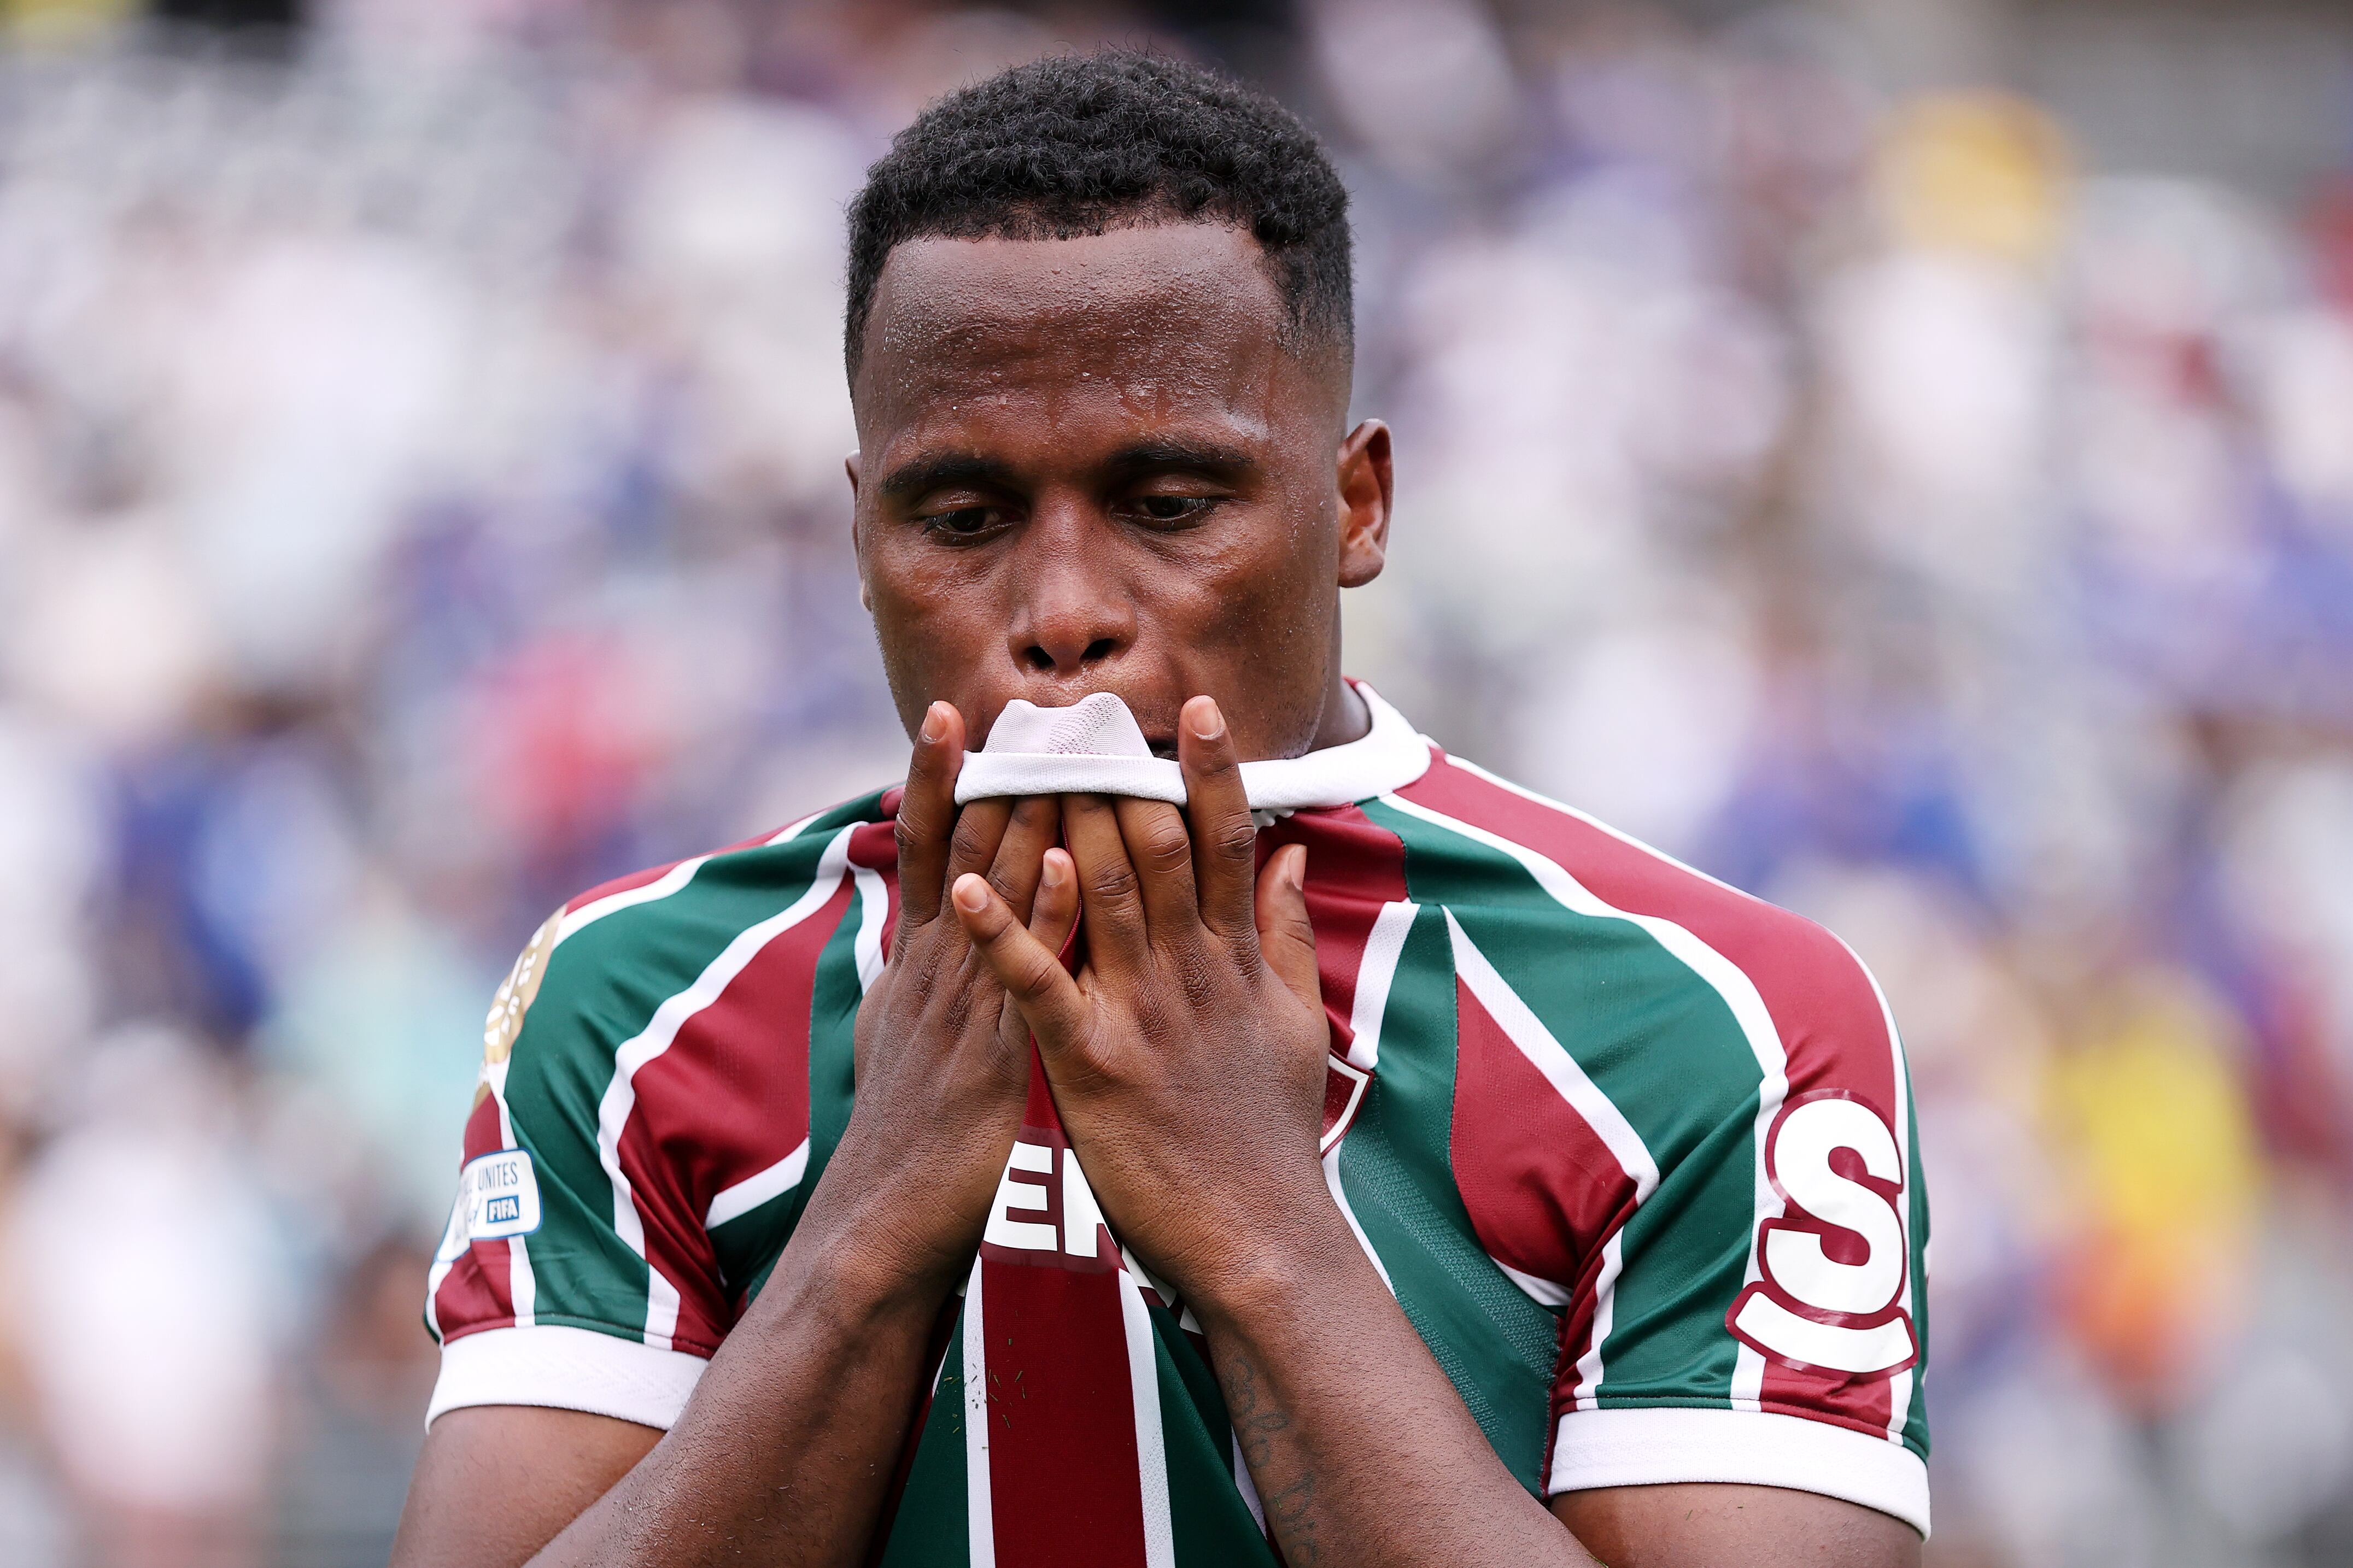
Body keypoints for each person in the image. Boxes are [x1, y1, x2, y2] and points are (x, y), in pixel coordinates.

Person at [391, 51, 1928, 1568]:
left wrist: (1254, 1226)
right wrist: (876, 1220)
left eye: (1170, 504)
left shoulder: (1724, 1021)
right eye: (963, 519)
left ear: (1359, 505)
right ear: (859, 534)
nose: (1063, 613)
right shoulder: (635, 999)